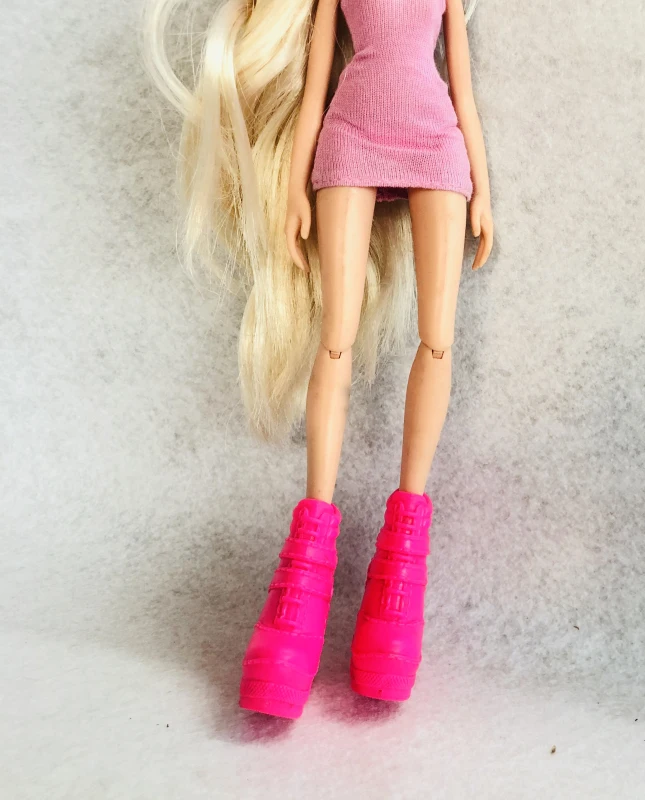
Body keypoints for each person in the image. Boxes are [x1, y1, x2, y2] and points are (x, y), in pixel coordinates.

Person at [142, 0, 493, 718]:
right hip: (351, 135)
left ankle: (401, 566)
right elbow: (313, 87)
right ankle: (306, 563)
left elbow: (462, 86)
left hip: (436, 139)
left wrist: (483, 189)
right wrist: (297, 184)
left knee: (437, 338)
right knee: (335, 335)